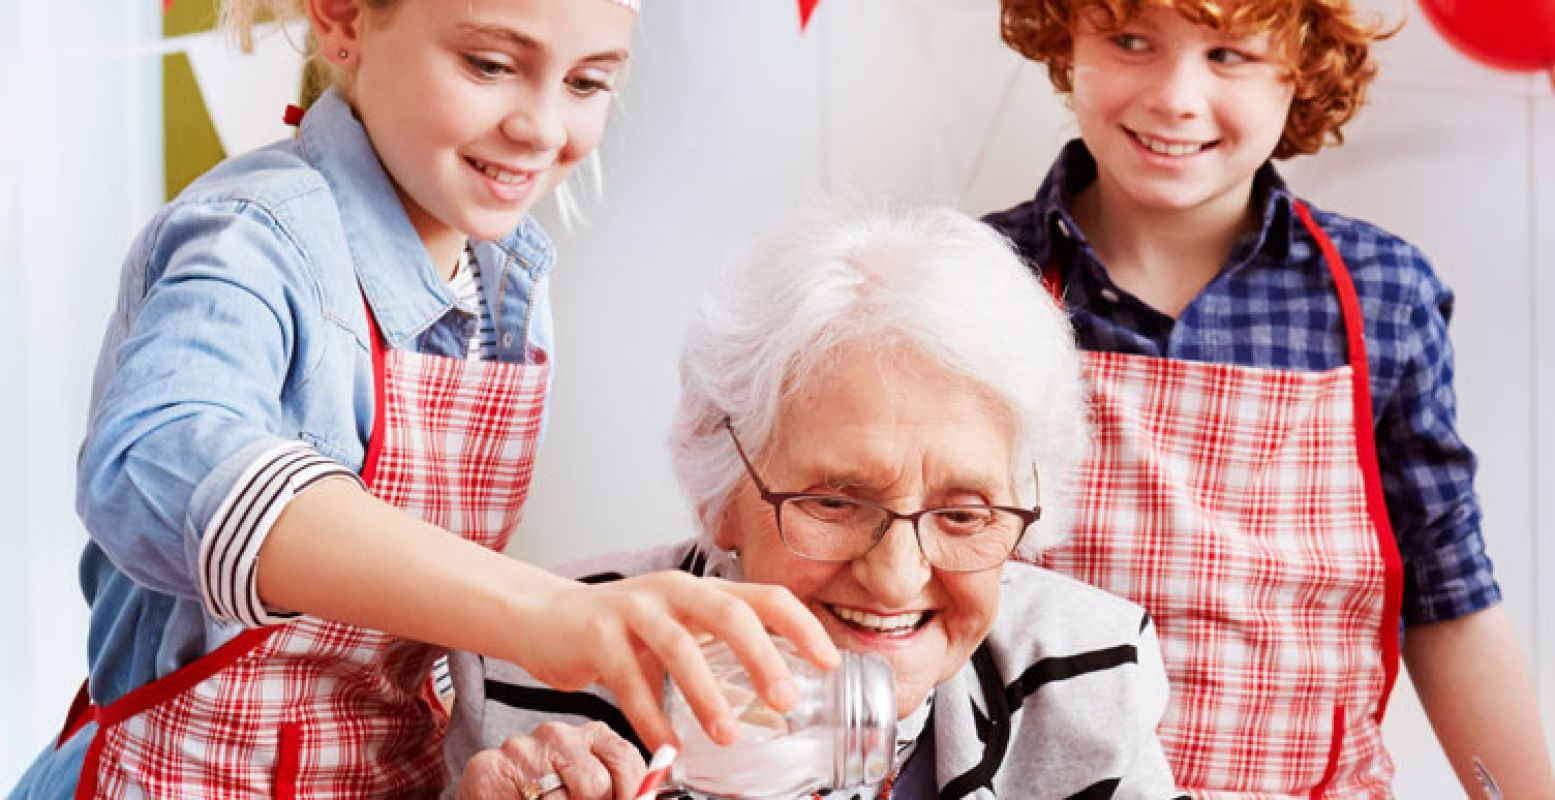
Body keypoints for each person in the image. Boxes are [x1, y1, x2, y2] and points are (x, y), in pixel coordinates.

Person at [10, 1, 837, 796]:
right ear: (340, 17)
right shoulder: (253, 238)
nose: (542, 128)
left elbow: (382, 675)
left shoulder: (504, 281)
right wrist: (536, 609)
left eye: (586, 83)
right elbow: (151, 458)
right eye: (489, 64)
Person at [985, 1, 1555, 797]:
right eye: (1130, 41)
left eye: (1227, 55)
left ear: (1305, 67)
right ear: (1063, 38)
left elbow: (1448, 600)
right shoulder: (978, 284)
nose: (1175, 97)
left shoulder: (1380, 296)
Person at [443, 200, 1188, 800]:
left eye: (962, 514)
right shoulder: (533, 673)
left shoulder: (1087, 671)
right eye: (834, 503)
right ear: (720, 491)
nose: (896, 577)